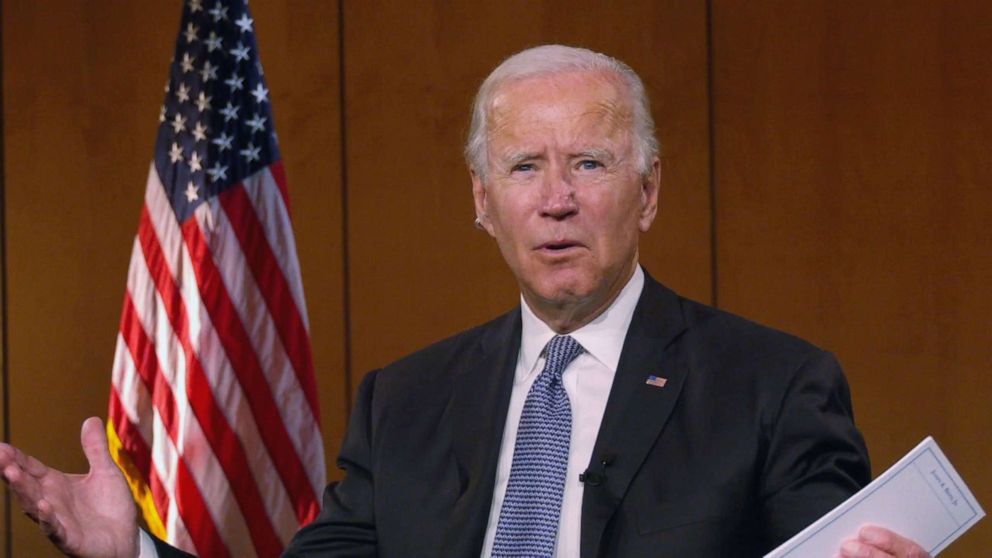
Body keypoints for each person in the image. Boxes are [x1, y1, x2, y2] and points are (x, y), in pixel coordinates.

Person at [1, 45, 929, 558]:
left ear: (647, 193)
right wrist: (136, 556)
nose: (556, 198)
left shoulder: (771, 384)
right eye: (524, 166)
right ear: (483, 203)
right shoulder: (403, 403)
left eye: (590, 164)